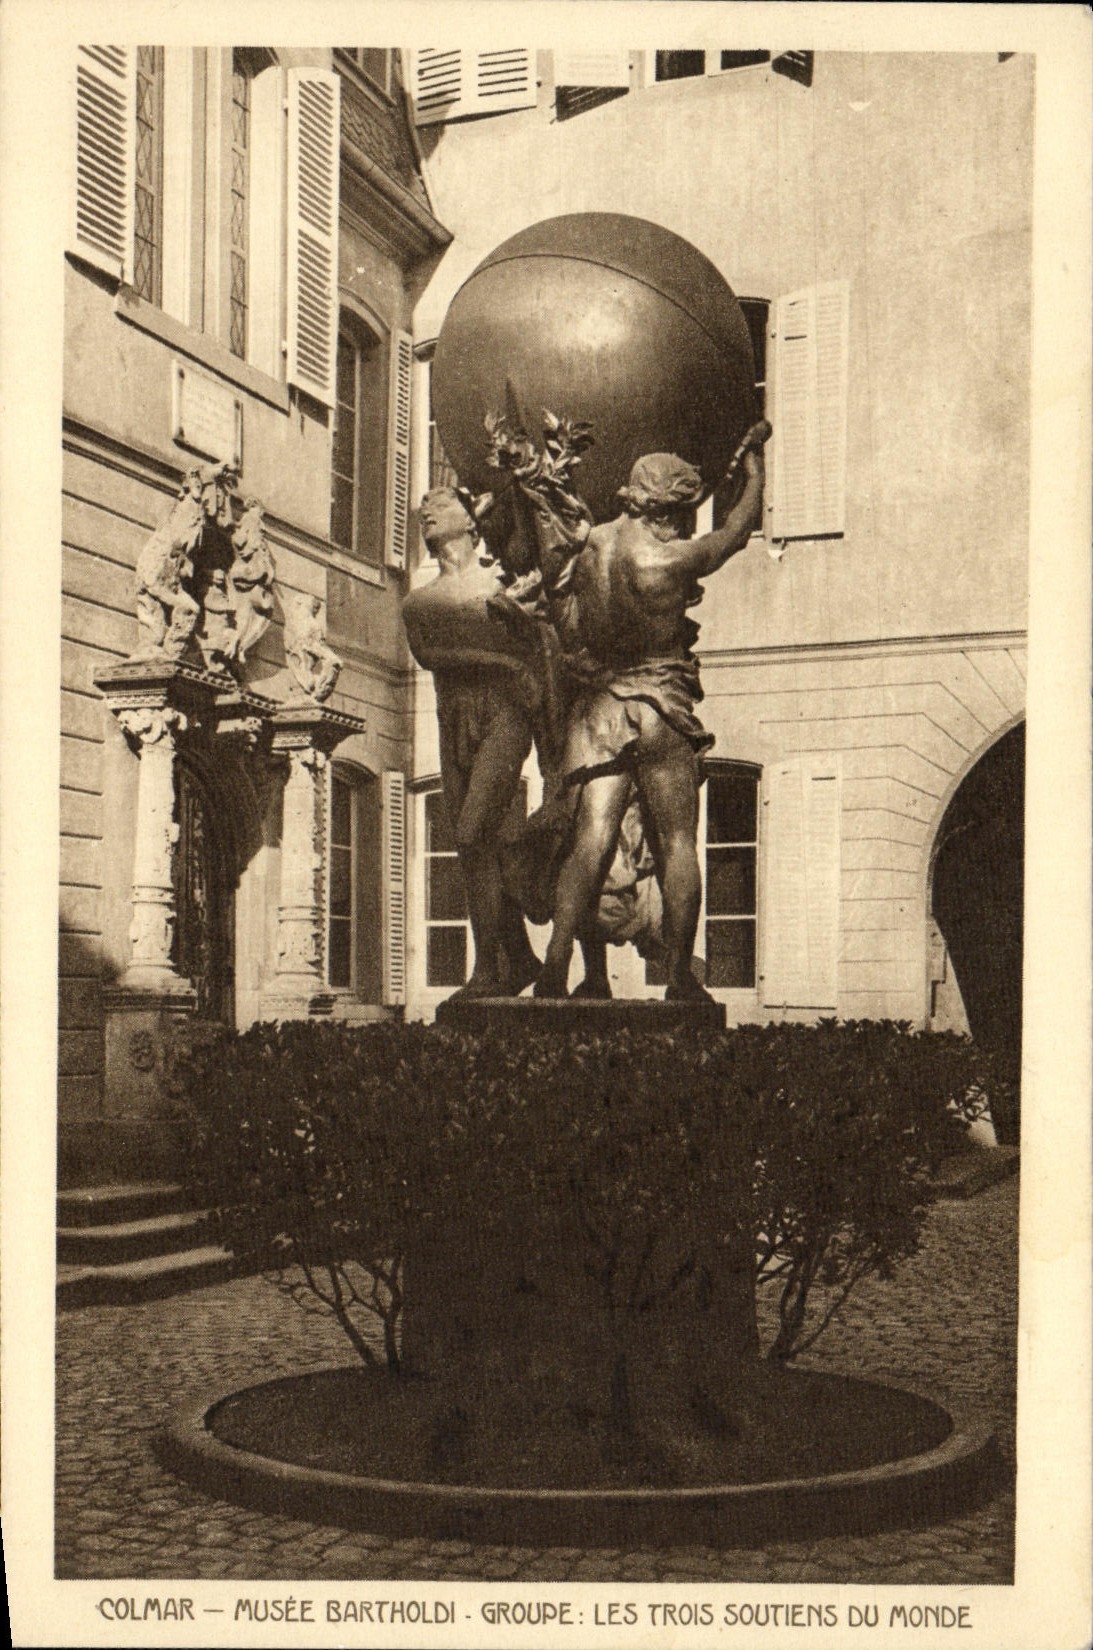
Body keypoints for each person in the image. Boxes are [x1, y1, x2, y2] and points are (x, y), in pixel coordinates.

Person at [534, 422, 771, 1001]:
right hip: (659, 706)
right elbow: (737, 532)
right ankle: (679, 983)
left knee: (590, 838)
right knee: (677, 842)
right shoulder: (671, 562)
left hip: (599, 708)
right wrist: (754, 470)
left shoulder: (590, 543)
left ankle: (555, 965)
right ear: (670, 508)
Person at [402, 487, 542, 998]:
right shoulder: (418, 602)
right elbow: (430, 655)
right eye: (424, 510)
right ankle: (519, 956)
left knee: (469, 832)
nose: (427, 510)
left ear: (473, 517)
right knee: (479, 844)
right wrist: (501, 659)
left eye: (441, 502)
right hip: (453, 718)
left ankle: (487, 969)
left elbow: (538, 645)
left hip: (504, 714)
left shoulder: (505, 580)